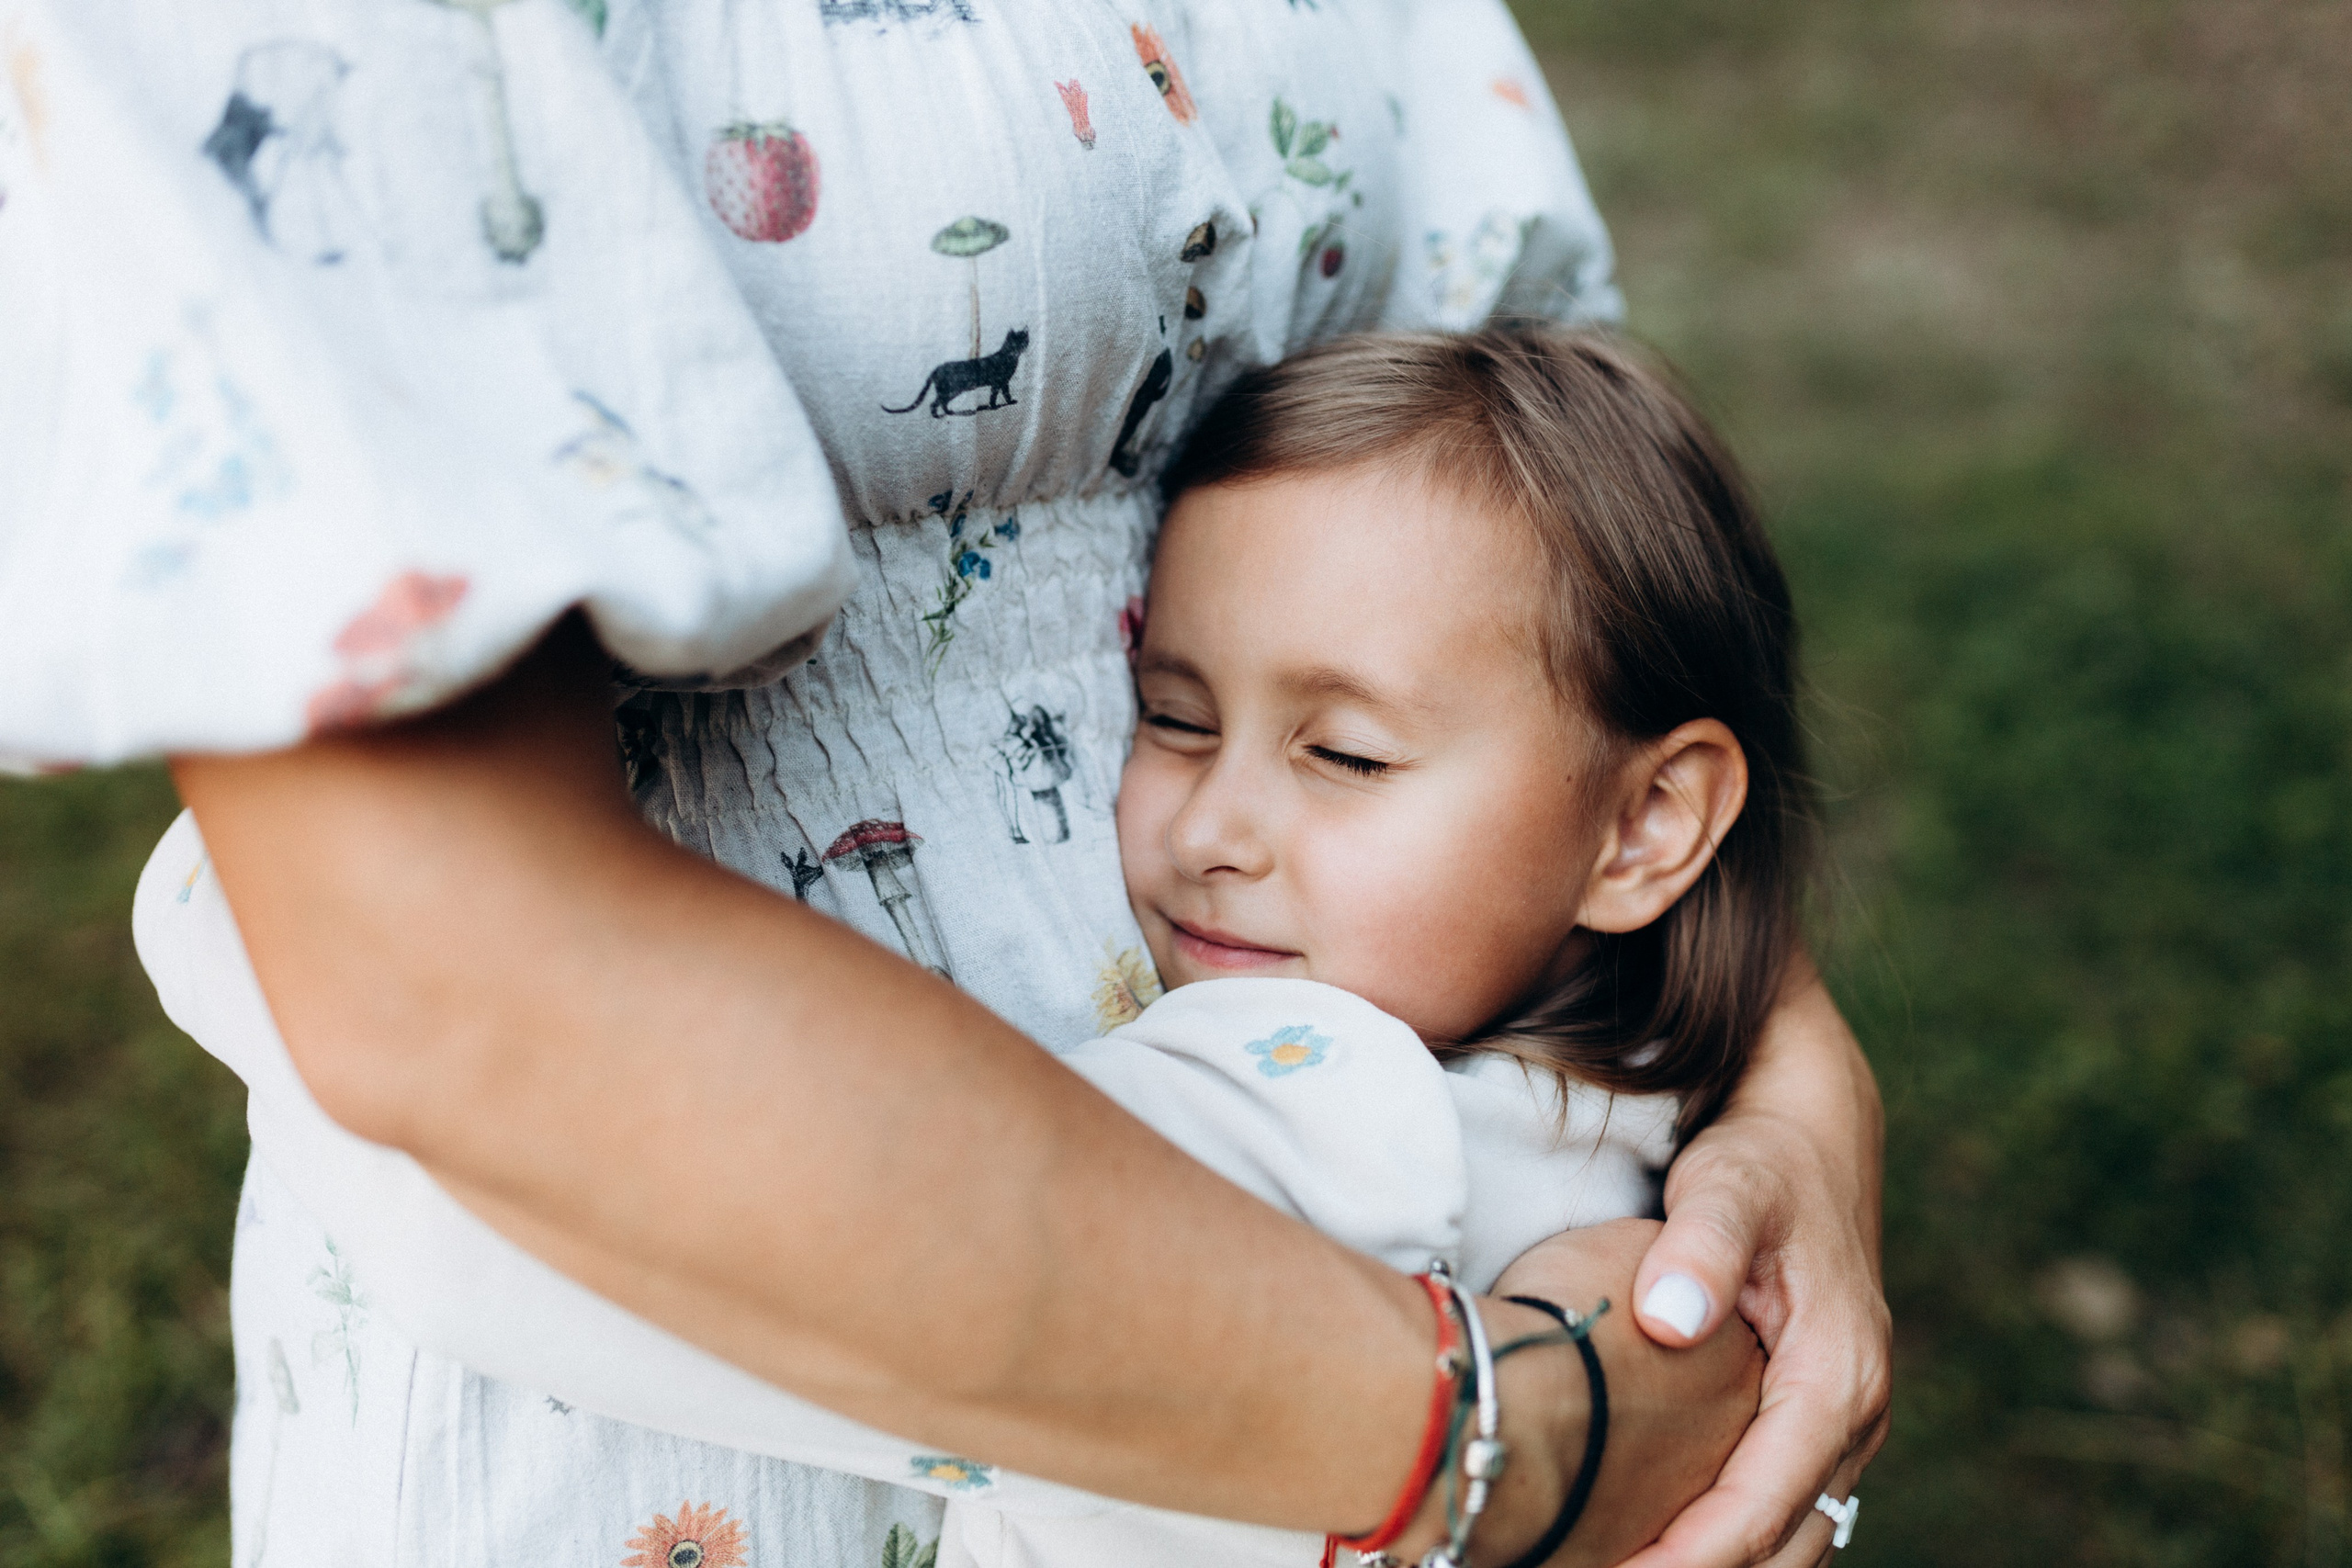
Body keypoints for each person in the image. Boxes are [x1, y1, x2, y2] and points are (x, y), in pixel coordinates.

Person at [0, 3, 1888, 1565]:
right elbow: (457, 996)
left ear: (1652, 826)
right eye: (1173, 712)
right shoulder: (1466, 1101)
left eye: (1341, 751)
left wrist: (217, 929)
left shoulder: (1316, 1103)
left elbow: (485, 1246)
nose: (1217, 822)